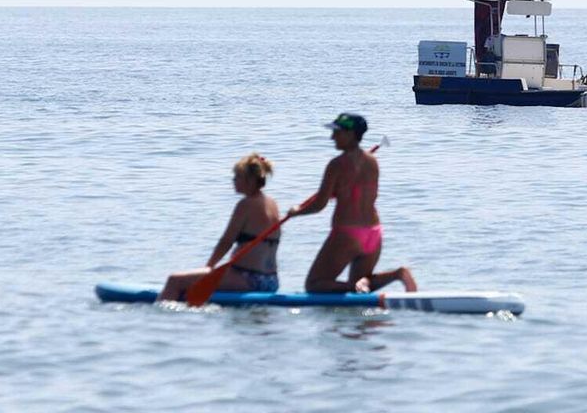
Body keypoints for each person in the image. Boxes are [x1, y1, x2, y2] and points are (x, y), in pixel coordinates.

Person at [285, 113, 417, 294]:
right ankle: (397, 274)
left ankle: (354, 285)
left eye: (337, 132)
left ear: (350, 134)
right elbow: (363, 192)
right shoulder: (372, 162)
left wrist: (297, 211)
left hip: (347, 233)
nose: (332, 137)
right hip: (374, 232)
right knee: (360, 289)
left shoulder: (336, 164)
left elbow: (319, 204)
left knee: (314, 284)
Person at [159, 153, 282, 301]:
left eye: (237, 177)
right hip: (271, 281)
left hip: (248, 278)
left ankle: (160, 319)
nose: (233, 181)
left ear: (249, 181)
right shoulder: (272, 204)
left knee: (174, 281)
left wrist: (209, 268)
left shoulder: (245, 205)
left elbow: (226, 241)